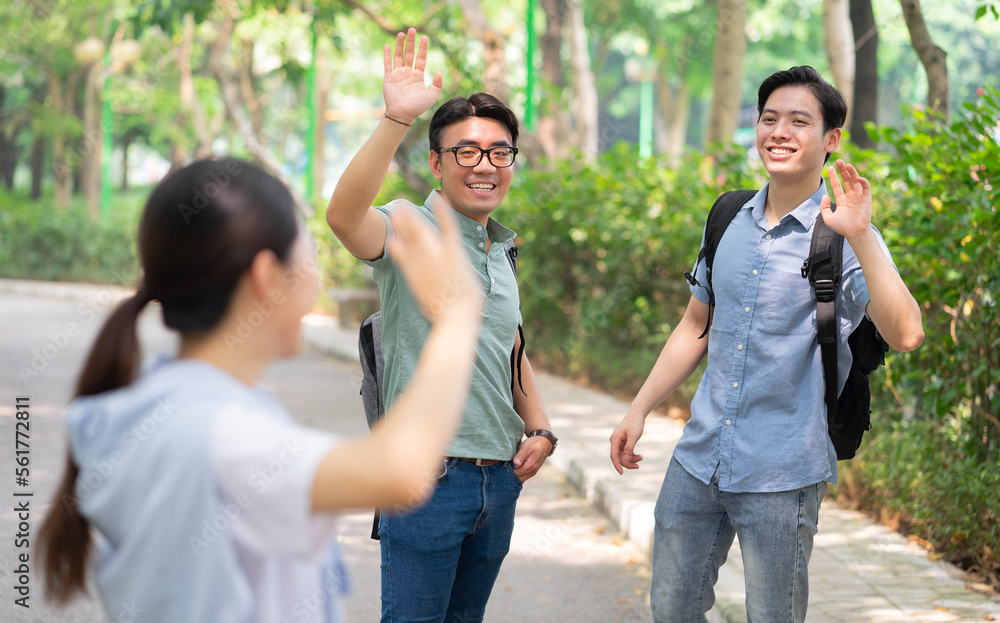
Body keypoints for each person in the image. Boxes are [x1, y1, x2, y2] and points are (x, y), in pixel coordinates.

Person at [36, 157, 485, 623]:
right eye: (307, 258)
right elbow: (399, 474)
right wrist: (458, 315)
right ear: (267, 277)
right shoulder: (222, 433)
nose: (314, 282)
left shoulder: (144, 407)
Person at [609, 66, 924, 622]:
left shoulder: (845, 235)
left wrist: (862, 236)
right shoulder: (728, 215)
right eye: (769, 118)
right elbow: (694, 326)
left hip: (783, 472)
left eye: (799, 121)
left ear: (831, 140)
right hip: (698, 459)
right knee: (671, 610)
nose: (779, 131)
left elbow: (906, 334)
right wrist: (639, 409)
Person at [325, 28, 555, 623]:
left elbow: (510, 344)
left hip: (499, 480)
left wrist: (541, 429)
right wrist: (394, 120)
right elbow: (344, 216)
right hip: (429, 479)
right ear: (436, 162)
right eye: (466, 151)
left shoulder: (501, 248)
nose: (485, 165)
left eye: (500, 152)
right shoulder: (406, 226)